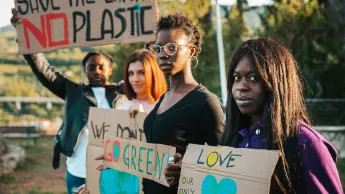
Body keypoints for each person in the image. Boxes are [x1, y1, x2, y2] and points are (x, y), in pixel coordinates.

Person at [166, 37, 344, 194]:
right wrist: (188, 174)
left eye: (253, 78)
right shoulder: (233, 139)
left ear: (276, 83)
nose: (241, 87)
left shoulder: (306, 143)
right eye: (236, 78)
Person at [11, 9, 124, 194]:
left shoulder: (123, 93)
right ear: (85, 71)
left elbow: (147, 73)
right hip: (79, 171)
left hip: (113, 171)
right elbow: (44, 71)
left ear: (110, 70)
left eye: (101, 67)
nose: (96, 71)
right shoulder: (73, 91)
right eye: (91, 67)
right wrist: (25, 35)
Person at [143, 14, 224, 194]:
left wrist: (189, 172)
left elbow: (225, 162)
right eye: (158, 48)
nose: (163, 55)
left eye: (171, 47)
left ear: (192, 51)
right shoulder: (164, 98)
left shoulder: (205, 102)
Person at [75, 49, 167, 194]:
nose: (134, 79)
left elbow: (163, 155)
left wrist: (144, 121)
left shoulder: (165, 106)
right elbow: (111, 155)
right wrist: (92, 184)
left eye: (141, 72)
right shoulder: (121, 104)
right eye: (131, 73)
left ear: (153, 72)